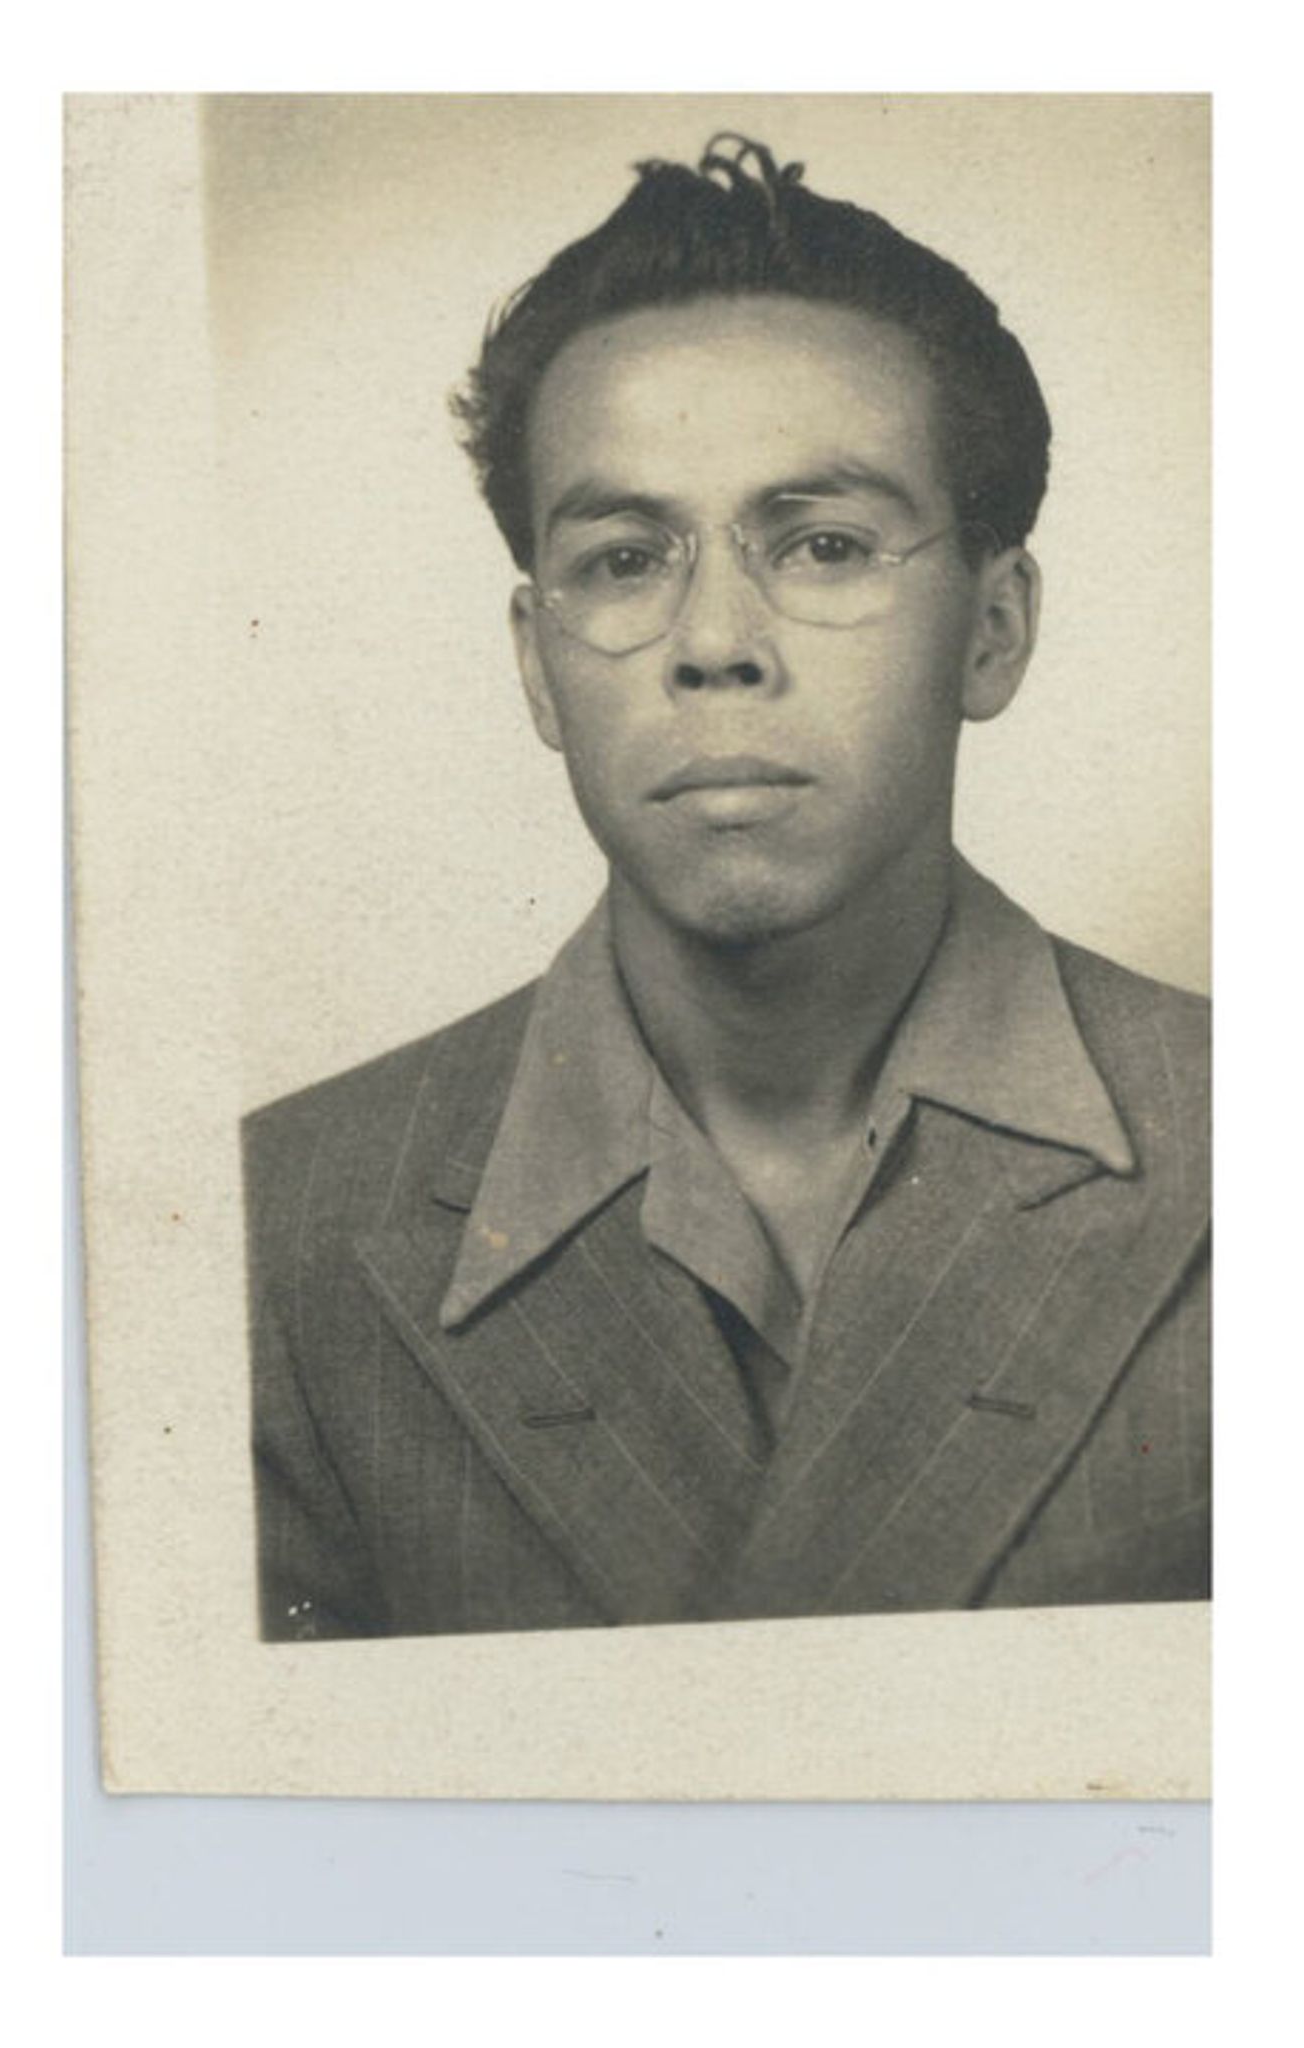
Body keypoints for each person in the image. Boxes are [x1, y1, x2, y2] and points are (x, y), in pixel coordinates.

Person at [242, 134, 1209, 1642]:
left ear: (994, 630)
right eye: (626, 560)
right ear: (537, 665)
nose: (713, 644)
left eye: (822, 545)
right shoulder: (267, 1232)